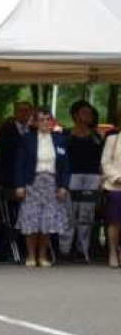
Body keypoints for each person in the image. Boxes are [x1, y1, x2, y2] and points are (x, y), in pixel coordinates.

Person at [15, 107, 71, 268]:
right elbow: (20, 163)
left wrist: (63, 186)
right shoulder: (28, 139)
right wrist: (19, 185)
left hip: (52, 183)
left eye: (48, 119)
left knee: (47, 222)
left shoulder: (60, 139)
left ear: (52, 122)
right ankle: (31, 256)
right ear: (36, 122)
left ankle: (42, 256)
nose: (45, 122)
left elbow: (66, 166)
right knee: (31, 220)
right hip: (33, 183)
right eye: (41, 119)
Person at [60, 100, 103, 262]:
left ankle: (82, 250)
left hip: (92, 179)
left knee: (86, 215)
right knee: (69, 214)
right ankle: (64, 250)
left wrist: (100, 180)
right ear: (76, 115)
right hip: (71, 178)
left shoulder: (96, 137)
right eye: (85, 112)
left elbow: (101, 161)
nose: (89, 115)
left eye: (90, 113)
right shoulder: (66, 136)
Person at [0, 101, 33, 260]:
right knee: (8, 216)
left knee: (26, 216)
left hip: (29, 181)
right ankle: (3, 250)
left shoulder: (33, 131)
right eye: (21, 111)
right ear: (15, 112)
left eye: (27, 111)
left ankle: (24, 249)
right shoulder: (5, 130)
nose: (24, 114)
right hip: (8, 180)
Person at [101, 111, 121, 268]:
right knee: (114, 222)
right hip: (115, 186)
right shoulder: (112, 139)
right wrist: (117, 177)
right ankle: (113, 252)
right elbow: (105, 162)